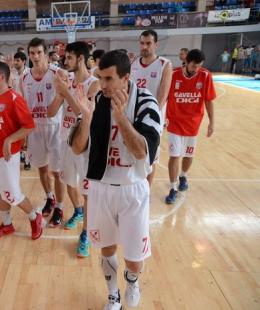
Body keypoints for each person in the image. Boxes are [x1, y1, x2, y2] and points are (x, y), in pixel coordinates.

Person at [71, 50, 162, 309]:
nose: (103, 85)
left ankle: (132, 281)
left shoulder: (146, 102)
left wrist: (121, 117)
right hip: (101, 189)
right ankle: (113, 294)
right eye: (100, 77)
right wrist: (86, 118)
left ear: (126, 77)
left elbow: (142, 151)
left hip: (132, 190)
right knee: (106, 249)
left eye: (109, 79)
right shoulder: (96, 99)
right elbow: (77, 148)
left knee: (134, 258)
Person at [48, 41, 100, 257]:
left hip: (86, 144)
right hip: (65, 140)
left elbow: (86, 113)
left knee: (88, 192)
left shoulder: (94, 84)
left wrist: (66, 93)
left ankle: (86, 234)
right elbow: (51, 112)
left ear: (80, 58)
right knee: (68, 183)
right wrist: (59, 93)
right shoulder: (66, 80)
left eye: (68, 57)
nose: (64, 61)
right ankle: (78, 211)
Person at [0, 61, 43, 240]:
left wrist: (10, 139)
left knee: (12, 194)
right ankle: (7, 225)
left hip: (6, 157)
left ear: (2, 77)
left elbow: (29, 126)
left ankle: (34, 217)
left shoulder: (15, 99)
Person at [19, 37, 66, 221]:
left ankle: (60, 207)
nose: (35, 56)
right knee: (41, 168)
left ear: (45, 54)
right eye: (32, 53)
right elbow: (23, 105)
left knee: (57, 171)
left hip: (55, 128)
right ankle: (50, 198)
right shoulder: (24, 77)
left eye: (39, 53)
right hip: (35, 128)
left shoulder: (57, 73)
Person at [165, 49, 216, 204]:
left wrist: (212, 122)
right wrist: (161, 118)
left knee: (188, 155)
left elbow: (208, 100)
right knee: (174, 155)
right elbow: (163, 97)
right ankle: (173, 188)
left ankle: (183, 176)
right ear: (186, 62)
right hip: (174, 122)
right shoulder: (173, 74)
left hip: (193, 124)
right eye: (194, 66)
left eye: (199, 66)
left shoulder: (205, 75)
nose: (196, 69)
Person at [130, 29, 173, 186]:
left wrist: (152, 116)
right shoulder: (133, 63)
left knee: (151, 157)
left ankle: (146, 191)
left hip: (152, 118)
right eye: (142, 43)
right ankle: (135, 186)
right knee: (134, 152)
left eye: (148, 43)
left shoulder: (164, 64)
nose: (145, 47)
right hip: (133, 116)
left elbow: (162, 97)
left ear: (156, 44)